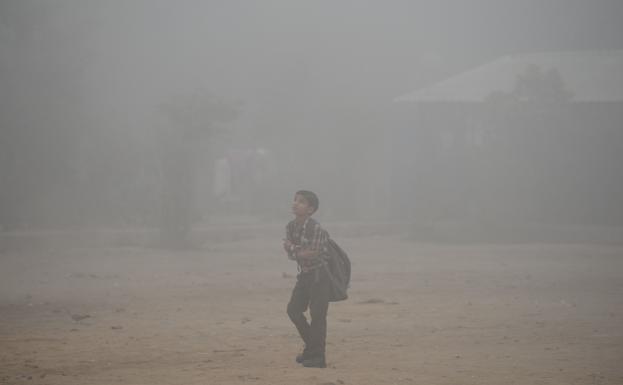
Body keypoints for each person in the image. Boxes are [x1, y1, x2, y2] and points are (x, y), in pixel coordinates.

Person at [283, 190, 332, 368]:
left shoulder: (316, 228)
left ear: (311, 209)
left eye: (301, 202)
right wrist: (297, 251)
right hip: (304, 275)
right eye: (295, 200)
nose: (295, 204)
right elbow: (292, 254)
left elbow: (313, 253)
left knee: (318, 316)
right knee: (293, 310)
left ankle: (318, 358)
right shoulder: (291, 226)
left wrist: (294, 249)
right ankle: (312, 349)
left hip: (320, 276)